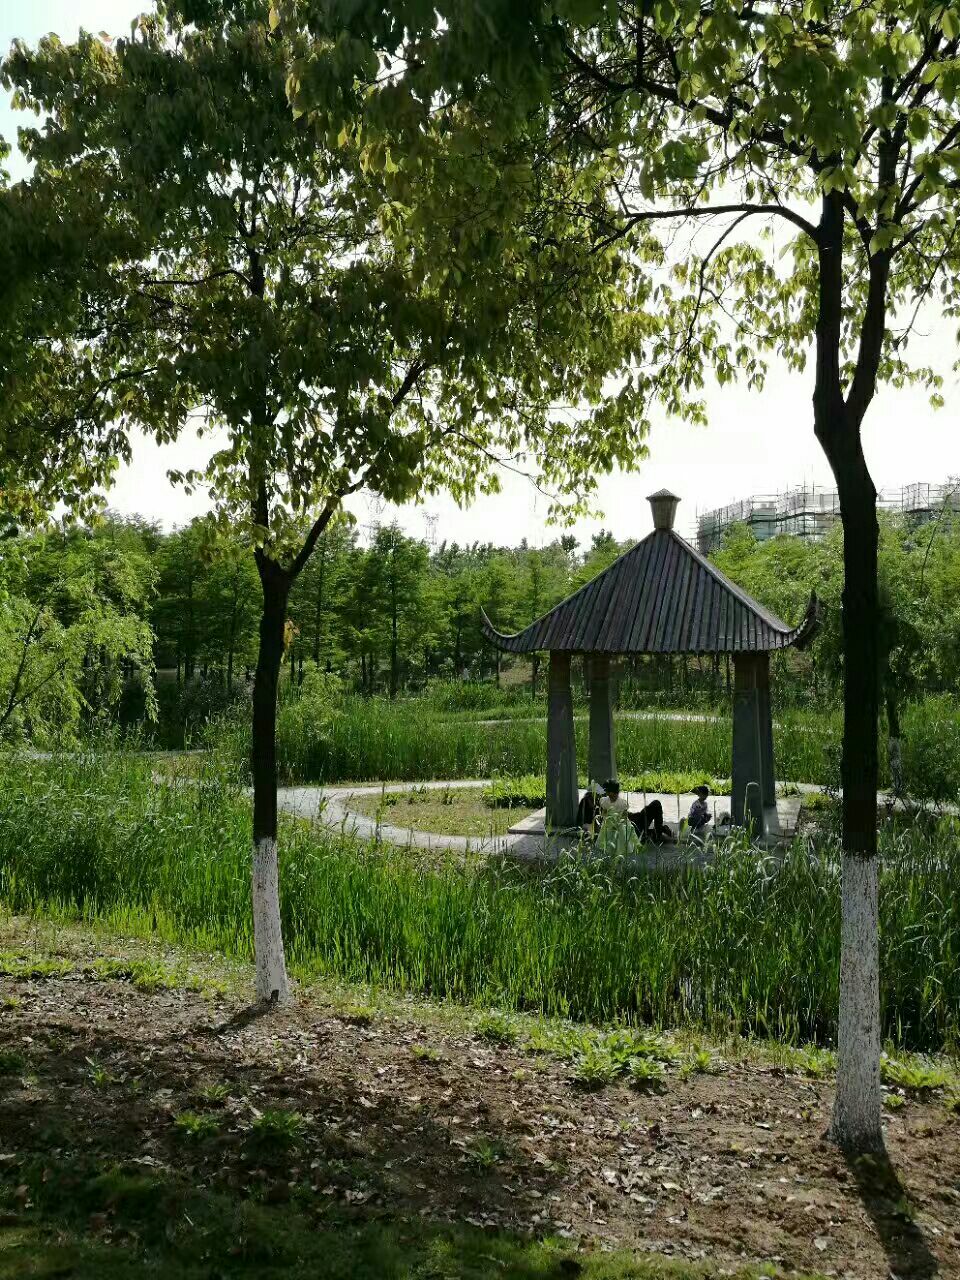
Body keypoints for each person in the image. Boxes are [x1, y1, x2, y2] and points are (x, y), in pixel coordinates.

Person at [601, 779, 674, 844]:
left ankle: (659, 832)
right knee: (655, 805)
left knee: (655, 804)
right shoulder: (604, 803)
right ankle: (659, 832)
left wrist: (633, 815)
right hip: (630, 831)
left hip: (633, 822)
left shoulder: (619, 802)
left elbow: (624, 814)